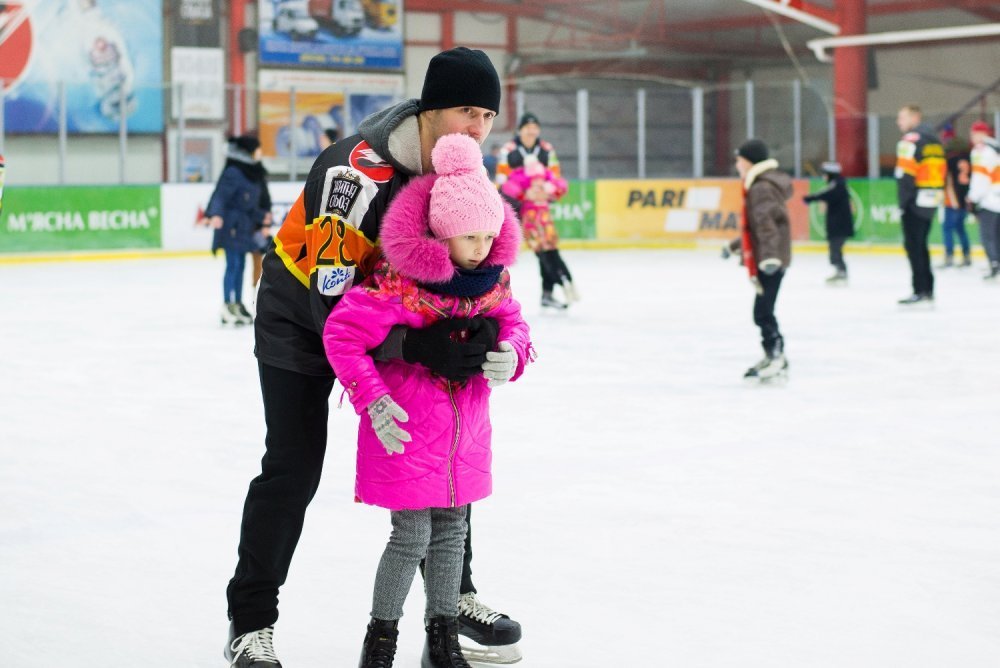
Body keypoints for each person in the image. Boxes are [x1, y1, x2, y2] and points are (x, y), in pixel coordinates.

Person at [225, 47, 525, 668]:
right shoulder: (354, 175)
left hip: (387, 318)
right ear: (429, 109)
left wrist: (480, 341)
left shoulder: (460, 172)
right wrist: (413, 346)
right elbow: (328, 301)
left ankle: (455, 598)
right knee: (293, 466)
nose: (478, 128)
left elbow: (471, 269)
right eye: (466, 111)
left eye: (489, 116)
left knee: (446, 448)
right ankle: (250, 621)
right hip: (301, 320)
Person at [324, 133, 532, 668]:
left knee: (451, 535)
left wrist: (512, 352)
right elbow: (342, 335)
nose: (482, 246)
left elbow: (516, 325)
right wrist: (371, 398)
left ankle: (441, 641)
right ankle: (381, 641)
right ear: (441, 233)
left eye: (489, 234)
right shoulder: (400, 286)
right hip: (409, 431)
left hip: (463, 436)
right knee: (410, 536)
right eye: (470, 236)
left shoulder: (492, 284)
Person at [723, 139, 793, 381]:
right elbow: (753, 228)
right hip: (768, 257)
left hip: (770, 260)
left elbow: (766, 226)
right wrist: (734, 247)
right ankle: (774, 354)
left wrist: (771, 258)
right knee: (763, 311)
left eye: (739, 160)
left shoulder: (760, 188)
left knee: (763, 312)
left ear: (749, 161)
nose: (737, 164)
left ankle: (776, 357)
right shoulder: (758, 185)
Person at [205, 134, 270, 326]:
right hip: (231, 226)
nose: (260, 152)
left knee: (241, 266)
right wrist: (215, 214)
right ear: (249, 151)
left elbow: (251, 203)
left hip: (245, 226)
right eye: (258, 148)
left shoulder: (251, 171)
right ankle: (227, 303)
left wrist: (262, 218)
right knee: (233, 265)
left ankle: (238, 302)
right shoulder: (234, 171)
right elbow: (220, 195)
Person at [501, 154, 578, 308]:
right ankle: (561, 285)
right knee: (544, 256)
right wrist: (524, 195)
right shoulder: (520, 179)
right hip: (531, 220)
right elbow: (509, 188)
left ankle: (558, 288)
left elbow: (559, 187)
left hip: (544, 219)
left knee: (552, 255)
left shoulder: (546, 181)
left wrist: (550, 192)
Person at [894, 105, 945, 306]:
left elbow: (905, 174)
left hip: (914, 201)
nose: (899, 122)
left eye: (902, 117)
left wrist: (903, 202)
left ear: (915, 117)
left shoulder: (910, 140)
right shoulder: (935, 140)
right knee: (921, 245)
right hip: (931, 199)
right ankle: (928, 288)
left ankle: (920, 289)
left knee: (913, 246)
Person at [803, 161, 854, 284]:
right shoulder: (837, 184)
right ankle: (840, 270)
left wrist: (810, 198)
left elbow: (827, 195)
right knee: (835, 249)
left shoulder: (838, 185)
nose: (823, 177)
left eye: (825, 174)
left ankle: (841, 271)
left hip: (839, 225)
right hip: (838, 225)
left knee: (835, 249)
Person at [968, 120, 1000, 280]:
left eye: (973, 133)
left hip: (989, 199)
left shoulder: (981, 151)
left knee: (987, 235)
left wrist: (973, 198)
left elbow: (980, 178)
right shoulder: (996, 148)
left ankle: (994, 263)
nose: (971, 137)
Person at [495, 112, 561, 188]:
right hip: (515, 193)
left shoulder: (547, 148)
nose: (531, 131)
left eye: (535, 128)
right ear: (520, 129)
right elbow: (501, 177)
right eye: (528, 128)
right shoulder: (508, 149)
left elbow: (555, 174)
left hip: (539, 192)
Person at [939, 125, 972, 268]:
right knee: (960, 228)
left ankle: (949, 255)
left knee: (947, 228)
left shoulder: (948, 159)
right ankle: (966, 255)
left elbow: (948, 180)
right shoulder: (969, 157)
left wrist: (952, 200)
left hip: (953, 199)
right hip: (965, 197)